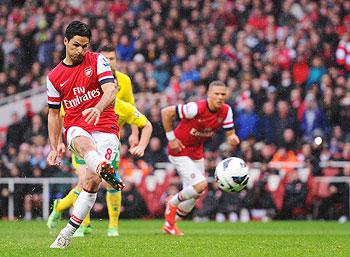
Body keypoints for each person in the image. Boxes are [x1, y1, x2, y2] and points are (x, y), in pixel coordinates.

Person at [47, 45, 152, 237]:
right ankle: (82, 225)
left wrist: (135, 133)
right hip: (83, 133)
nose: (109, 62)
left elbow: (132, 107)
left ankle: (112, 226)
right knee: (84, 180)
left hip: (109, 134)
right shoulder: (86, 74)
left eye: (112, 59)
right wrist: (58, 142)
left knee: (106, 181)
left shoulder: (124, 82)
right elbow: (63, 112)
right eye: (106, 58)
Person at [47, 21, 125, 249]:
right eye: (76, 45)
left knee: (91, 182)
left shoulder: (98, 60)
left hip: (106, 127)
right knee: (83, 144)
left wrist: (98, 108)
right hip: (76, 127)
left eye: (85, 46)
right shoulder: (54, 77)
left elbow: (111, 89)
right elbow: (53, 114)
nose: (80, 50)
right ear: (65, 42)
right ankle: (104, 167)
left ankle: (65, 234)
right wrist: (54, 146)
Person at [161, 80, 240, 236]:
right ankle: (172, 201)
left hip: (196, 151)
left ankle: (170, 224)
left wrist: (233, 138)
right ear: (208, 94)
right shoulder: (195, 108)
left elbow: (230, 133)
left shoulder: (226, 111)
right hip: (179, 150)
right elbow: (166, 112)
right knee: (200, 184)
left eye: (223, 94)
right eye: (216, 94)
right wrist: (171, 139)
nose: (220, 97)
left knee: (195, 195)